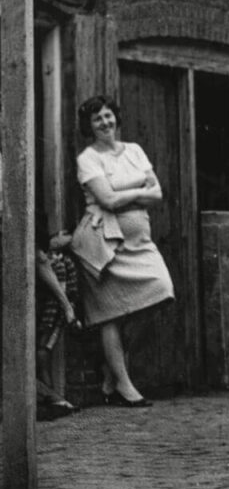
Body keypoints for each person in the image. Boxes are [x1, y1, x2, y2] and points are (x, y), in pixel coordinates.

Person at [72, 95, 174, 408]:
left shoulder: (135, 151)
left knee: (162, 290)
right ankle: (124, 386)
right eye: (97, 119)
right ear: (89, 127)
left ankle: (113, 369)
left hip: (140, 243)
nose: (105, 123)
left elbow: (157, 194)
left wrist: (124, 193)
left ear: (116, 117)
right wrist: (139, 191)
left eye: (108, 116)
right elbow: (107, 201)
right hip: (106, 243)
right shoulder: (88, 158)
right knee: (110, 316)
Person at [36, 229, 83, 420]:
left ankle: (52, 399)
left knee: (42, 354)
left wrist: (66, 308)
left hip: (49, 312)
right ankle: (53, 399)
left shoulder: (60, 263)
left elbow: (42, 257)